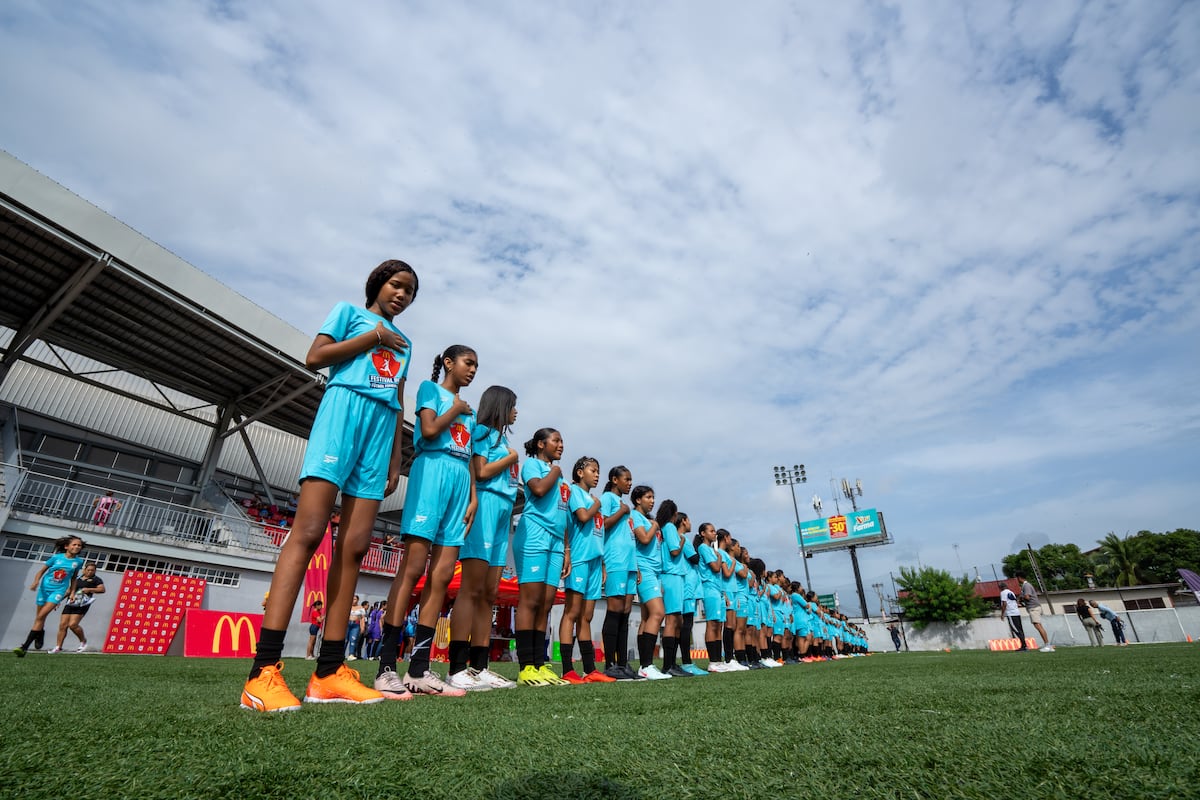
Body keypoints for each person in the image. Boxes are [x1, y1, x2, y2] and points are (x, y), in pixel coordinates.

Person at [239, 259, 416, 712]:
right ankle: (263, 672)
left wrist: (396, 454)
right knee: (309, 531)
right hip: (342, 414)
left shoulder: (406, 344)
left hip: (380, 434)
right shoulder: (349, 314)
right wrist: (373, 337)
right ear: (378, 283)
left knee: (355, 547)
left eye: (410, 292)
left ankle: (329, 672)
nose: (402, 295)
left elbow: (396, 399)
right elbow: (315, 358)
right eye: (397, 285)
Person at [374, 344, 479, 698]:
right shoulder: (430, 390)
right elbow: (430, 430)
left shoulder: (471, 412)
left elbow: (470, 457)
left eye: (476, 366)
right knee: (413, 567)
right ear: (449, 363)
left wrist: (474, 497)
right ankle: (386, 666)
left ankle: (418, 669)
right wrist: (456, 409)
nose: (472, 370)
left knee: (443, 575)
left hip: (459, 482)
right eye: (468, 363)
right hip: (431, 473)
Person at [445, 385, 520, 691]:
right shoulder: (482, 433)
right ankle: (457, 666)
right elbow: (481, 470)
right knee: (471, 589)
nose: (516, 412)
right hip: (486, 507)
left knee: (490, 593)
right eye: (513, 406)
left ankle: (480, 665)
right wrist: (511, 457)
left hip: (504, 514)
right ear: (501, 406)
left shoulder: (502, 439)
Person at [511, 427, 570, 686]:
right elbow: (537, 490)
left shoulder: (560, 478)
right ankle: (525, 666)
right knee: (530, 600)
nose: (561, 445)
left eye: (561, 441)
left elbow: (563, 514)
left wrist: (567, 549)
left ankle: (539, 663)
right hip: (534, 535)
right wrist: (556, 472)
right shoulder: (532, 465)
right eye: (556, 441)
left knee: (545, 604)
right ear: (540, 444)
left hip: (557, 542)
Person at [558, 456, 615, 684]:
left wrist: (602, 563)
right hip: (579, 560)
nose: (597, 474)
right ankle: (566, 669)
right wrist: (597, 505)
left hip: (594, 561)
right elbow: (582, 517)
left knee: (587, 617)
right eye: (593, 470)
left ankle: (590, 669)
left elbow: (597, 533)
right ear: (580, 472)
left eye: (598, 470)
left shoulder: (592, 499)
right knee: (571, 613)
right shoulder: (576, 493)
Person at [599, 465, 640, 680]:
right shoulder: (607, 498)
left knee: (625, 613)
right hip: (615, 560)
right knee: (614, 611)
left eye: (631, 479)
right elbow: (602, 524)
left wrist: (637, 566)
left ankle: (623, 663)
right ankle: (610, 664)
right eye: (626, 479)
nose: (629, 483)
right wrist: (621, 512)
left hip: (629, 564)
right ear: (615, 479)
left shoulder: (625, 506)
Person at [15, 535, 85, 656]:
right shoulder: (56, 558)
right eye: (74, 544)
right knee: (39, 618)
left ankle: (24, 647)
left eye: (79, 545)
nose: (77, 547)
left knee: (41, 616)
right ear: (66, 546)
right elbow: (41, 571)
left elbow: (74, 578)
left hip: (58, 592)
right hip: (43, 589)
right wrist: (36, 582)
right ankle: (40, 633)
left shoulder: (78, 562)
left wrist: (72, 592)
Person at [51, 562, 105, 653]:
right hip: (71, 602)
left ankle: (83, 641)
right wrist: (58, 601)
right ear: (84, 569)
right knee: (63, 625)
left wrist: (89, 589)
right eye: (88, 570)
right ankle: (58, 647)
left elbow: (102, 589)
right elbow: (69, 591)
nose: (90, 572)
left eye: (92, 570)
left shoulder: (96, 580)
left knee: (72, 625)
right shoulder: (77, 578)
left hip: (82, 604)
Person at [1014, 571, 1054, 652]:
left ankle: (1048, 645)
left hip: (1033, 608)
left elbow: (1027, 597)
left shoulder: (1026, 586)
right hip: (1033, 607)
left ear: (1019, 577)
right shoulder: (1025, 585)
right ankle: (1047, 644)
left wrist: (1020, 599)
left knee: (1038, 625)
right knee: (1038, 625)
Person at [999, 583, 1028, 650]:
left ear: (1001, 588)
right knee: (1020, 629)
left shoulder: (1003, 593)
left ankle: (1024, 645)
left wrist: (1002, 614)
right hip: (1017, 612)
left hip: (1011, 613)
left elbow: (1004, 604)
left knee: (1015, 629)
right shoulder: (1011, 592)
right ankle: (1024, 645)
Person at [346, 595, 365, 661]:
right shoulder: (347, 606)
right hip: (347, 624)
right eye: (352, 599)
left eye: (355, 599)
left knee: (353, 639)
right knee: (345, 639)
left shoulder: (360, 608)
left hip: (355, 624)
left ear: (357, 600)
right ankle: (341, 654)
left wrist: (362, 627)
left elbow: (362, 618)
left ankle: (351, 654)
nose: (353, 601)